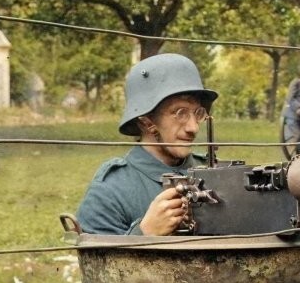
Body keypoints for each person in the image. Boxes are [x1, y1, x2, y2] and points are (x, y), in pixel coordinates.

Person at [75, 53, 217, 235]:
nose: (193, 127)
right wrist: (143, 233)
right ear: (146, 122)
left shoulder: (214, 174)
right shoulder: (111, 190)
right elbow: (94, 261)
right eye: (180, 113)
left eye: (197, 113)